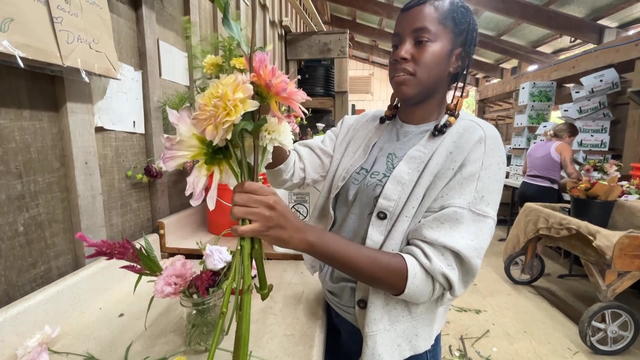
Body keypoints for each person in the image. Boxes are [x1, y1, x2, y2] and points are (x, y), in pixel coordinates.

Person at [230, 1, 505, 359]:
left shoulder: (474, 143)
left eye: (420, 41)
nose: (400, 54)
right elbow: (295, 167)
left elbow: (428, 276)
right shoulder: (360, 127)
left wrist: (302, 236)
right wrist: (264, 121)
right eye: (395, 44)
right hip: (333, 313)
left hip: (394, 343)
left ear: (455, 58)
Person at [518, 122, 581, 207]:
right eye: (572, 140)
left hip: (524, 188)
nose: (571, 144)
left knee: (526, 219)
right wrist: (581, 177)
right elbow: (572, 174)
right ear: (567, 136)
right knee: (548, 220)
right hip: (543, 192)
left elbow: (525, 171)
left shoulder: (535, 145)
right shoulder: (563, 146)